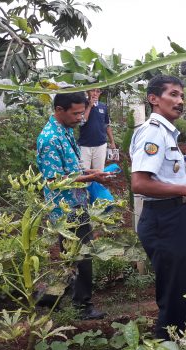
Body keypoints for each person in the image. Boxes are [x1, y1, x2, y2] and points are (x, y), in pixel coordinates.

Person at [129, 75, 186, 340]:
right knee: (174, 298)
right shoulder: (152, 132)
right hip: (162, 221)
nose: (180, 101)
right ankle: (166, 343)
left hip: (181, 216)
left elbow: (176, 188)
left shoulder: (168, 132)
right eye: (173, 95)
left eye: (181, 96)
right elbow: (140, 184)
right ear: (153, 99)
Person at [36, 92, 111, 320]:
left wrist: (91, 172)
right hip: (65, 208)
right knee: (83, 255)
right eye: (76, 112)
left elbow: (72, 169)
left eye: (82, 112)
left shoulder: (66, 131)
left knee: (71, 255)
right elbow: (54, 180)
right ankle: (82, 306)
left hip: (76, 201)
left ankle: (51, 297)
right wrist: (91, 179)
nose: (81, 117)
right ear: (59, 110)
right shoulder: (50, 138)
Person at [78, 88, 116, 170]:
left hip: (100, 145)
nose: (95, 93)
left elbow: (107, 125)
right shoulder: (82, 105)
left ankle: (96, 184)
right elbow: (82, 122)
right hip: (84, 146)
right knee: (83, 173)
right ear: (88, 91)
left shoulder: (103, 106)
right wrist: (89, 106)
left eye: (98, 91)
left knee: (99, 172)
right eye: (92, 90)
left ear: (100, 93)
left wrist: (112, 142)